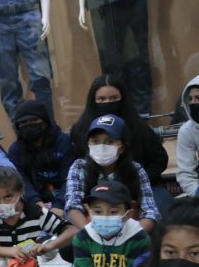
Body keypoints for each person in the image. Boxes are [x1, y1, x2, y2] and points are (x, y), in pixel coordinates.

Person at [69, 74, 170, 211]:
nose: (108, 103)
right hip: (95, 190)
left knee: (163, 207)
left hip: (139, 186)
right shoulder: (80, 129)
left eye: (113, 98)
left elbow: (159, 159)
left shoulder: (139, 127)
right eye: (101, 99)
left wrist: (140, 181)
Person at [64, 115, 159, 233]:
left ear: (122, 147)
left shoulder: (136, 170)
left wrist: (133, 237)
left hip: (129, 231)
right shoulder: (80, 167)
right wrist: (90, 235)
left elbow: (150, 211)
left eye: (109, 141)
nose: (102, 146)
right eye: (95, 141)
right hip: (89, 229)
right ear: (88, 144)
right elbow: (72, 205)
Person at [8, 99, 74, 216]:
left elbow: (70, 177)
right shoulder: (15, 150)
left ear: (45, 121)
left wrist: (59, 205)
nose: (29, 125)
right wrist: (36, 203)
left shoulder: (63, 142)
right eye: (24, 122)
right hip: (33, 201)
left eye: (34, 120)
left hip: (66, 199)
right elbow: (21, 180)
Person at [176, 75, 199, 197]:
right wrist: (196, 191)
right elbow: (186, 173)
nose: (193, 103)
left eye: (198, 98)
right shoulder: (187, 130)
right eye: (190, 99)